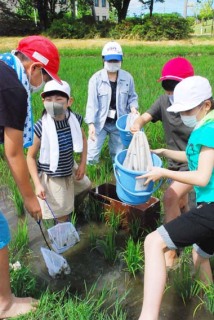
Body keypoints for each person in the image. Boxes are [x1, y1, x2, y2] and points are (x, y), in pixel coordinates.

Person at [137, 76, 214, 320]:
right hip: (208, 206)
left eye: (188, 110)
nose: (183, 115)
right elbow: (193, 156)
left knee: (153, 242)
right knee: (199, 256)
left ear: (206, 105)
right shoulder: (205, 127)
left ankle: (147, 317)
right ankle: (206, 304)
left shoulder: (209, 131)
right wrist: (164, 152)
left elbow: (202, 177)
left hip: (211, 209)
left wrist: (162, 171)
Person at [0, 35, 61, 319]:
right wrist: (29, 198)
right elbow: (14, 153)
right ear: (34, 67)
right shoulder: (14, 87)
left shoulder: (3, 69)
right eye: (46, 75)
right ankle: (5, 304)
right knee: (1, 232)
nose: (44, 84)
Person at [130, 57, 195, 267]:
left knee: (170, 199)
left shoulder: (199, 106)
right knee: (182, 204)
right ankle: (187, 239)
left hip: (196, 163)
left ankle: (172, 252)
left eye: (174, 86)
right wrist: (137, 125)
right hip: (174, 162)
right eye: (167, 86)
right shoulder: (163, 102)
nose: (170, 92)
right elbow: (144, 118)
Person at [27, 80, 91, 223]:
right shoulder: (41, 127)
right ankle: (64, 236)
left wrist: (82, 164)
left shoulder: (74, 120)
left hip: (70, 166)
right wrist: (37, 185)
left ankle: (71, 208)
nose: (53, 103)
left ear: (69, 101)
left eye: (59, 99)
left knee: (86, 186)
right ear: (43, 101)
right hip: (53, 175)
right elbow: (30, 157)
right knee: (62, 215)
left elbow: (84, 140)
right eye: (48, 100)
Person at [85, 41, 139, 164]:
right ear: (103, 59)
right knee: (91, 155)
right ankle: (93, 175)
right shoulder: (96, 79)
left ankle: (116, 172)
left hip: (119, 122)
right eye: (110, 61)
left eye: (116, 61)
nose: (113, 64)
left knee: (118, 154)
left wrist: (133, 107)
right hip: (100, 123)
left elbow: (132, 97)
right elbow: (91, 103)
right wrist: (91, 124)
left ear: (121, 60)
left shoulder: (127, 78)